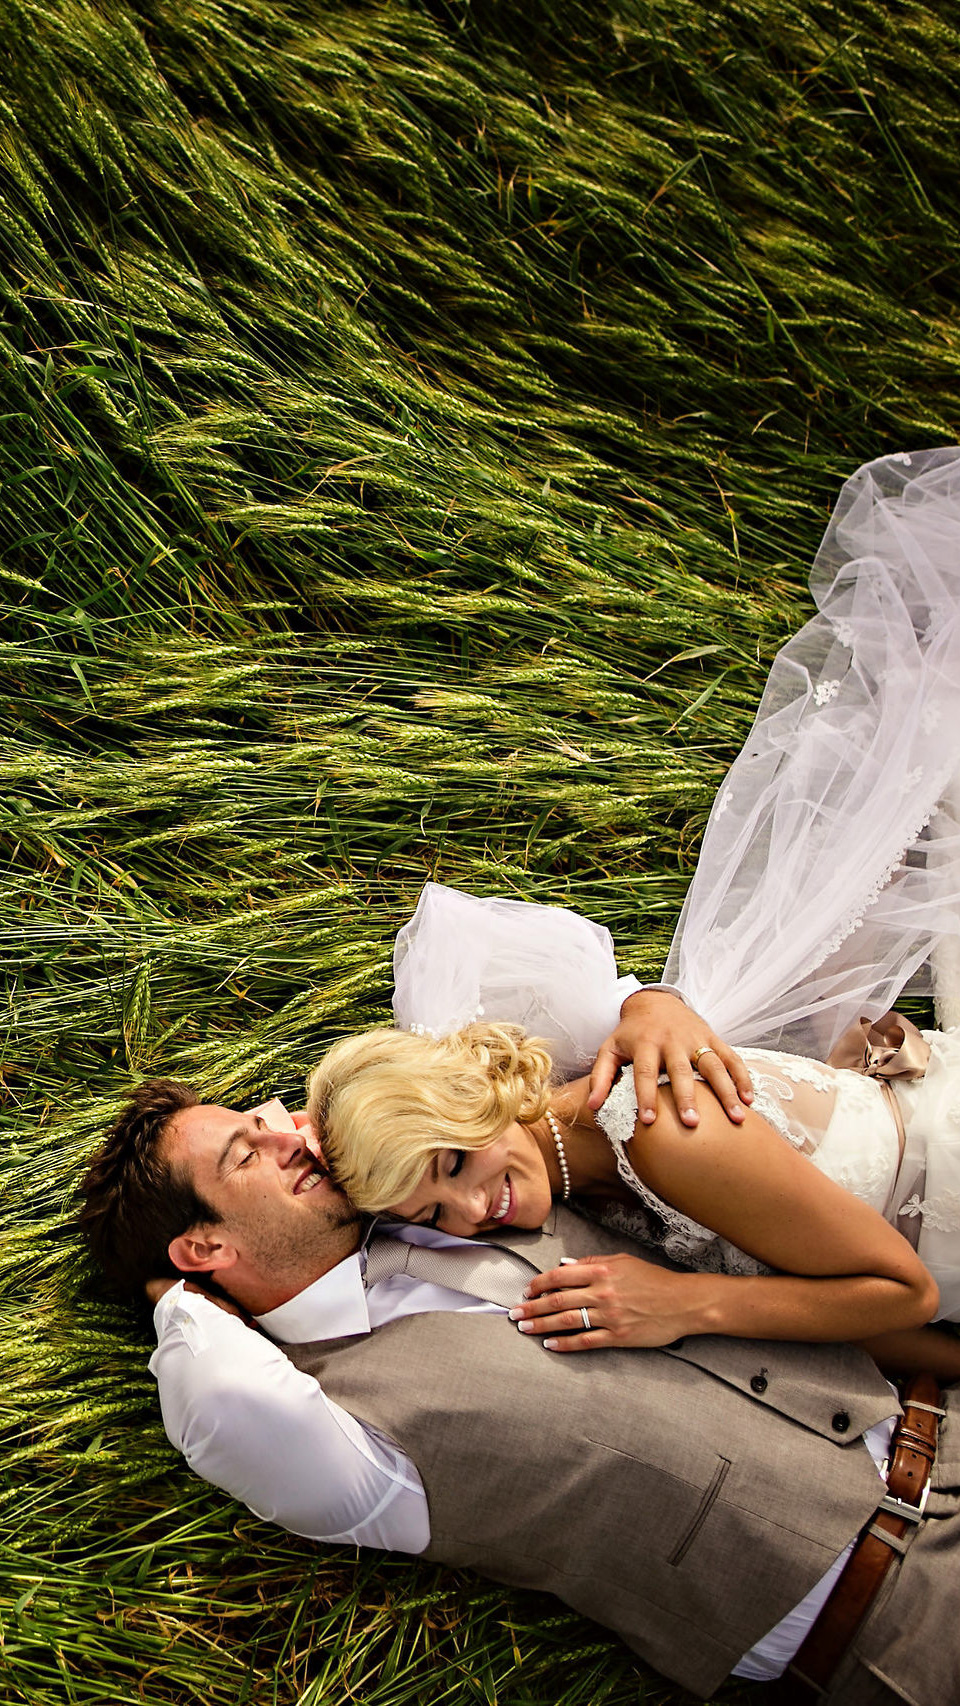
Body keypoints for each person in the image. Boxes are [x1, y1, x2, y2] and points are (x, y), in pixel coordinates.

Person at [78, 1077, 959, 1706]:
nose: (288, 1136)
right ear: (202, 1249)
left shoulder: (427, 1178)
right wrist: (175, 1299)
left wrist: (653, 1005)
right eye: (246, 1153)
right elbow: (220, 1396)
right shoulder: (339, 1435)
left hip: (935, 1418)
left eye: (266, 1119)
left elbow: (541, 1057)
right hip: (894, 1622)